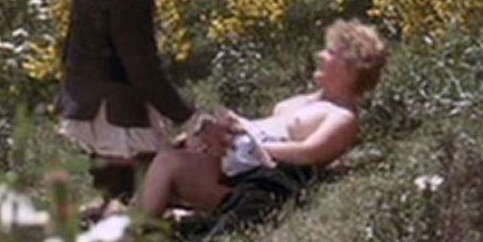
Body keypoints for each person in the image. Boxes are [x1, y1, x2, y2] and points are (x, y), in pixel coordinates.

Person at [136, 19, 388, 218]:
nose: (321, 55)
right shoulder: (312, 99)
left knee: (169, 162)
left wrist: (249, 143)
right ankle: (134, 219)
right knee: (179, 143)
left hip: (250, 175)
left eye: (331, 53)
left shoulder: (341, 116)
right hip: (237, 155)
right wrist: (236, 125)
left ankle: (129, 236)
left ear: (351, 68)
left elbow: (309, 153)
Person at [59, 0, 207, 202]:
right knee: (135, 182)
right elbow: (141, 65)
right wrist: (187, 116)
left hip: (92, 88)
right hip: (110, 96)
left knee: (125, 181)